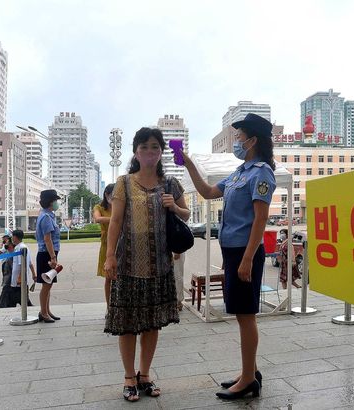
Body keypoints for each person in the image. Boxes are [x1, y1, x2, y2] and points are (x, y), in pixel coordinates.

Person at [180, 113, 276, 400]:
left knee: (246, 316)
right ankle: (251, 371)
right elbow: (209, 192)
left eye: (239, 137)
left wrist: (247, 259)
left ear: (253, 140)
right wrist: (190, 165)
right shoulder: (239, 173)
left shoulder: (261, 173)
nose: (236, 141)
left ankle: (248, 380)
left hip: (246, 252)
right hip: (233, 251)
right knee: (241, 314)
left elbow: (260, 220)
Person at [103, 127, 190, 402]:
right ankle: (129, 376)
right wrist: (110, 256)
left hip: (159, 265)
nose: (150, 152)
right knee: (127, 323)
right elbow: (115, 222)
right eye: (144, 147)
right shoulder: (124, 183)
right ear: (135, 152)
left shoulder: (171, 184)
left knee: (152, 324)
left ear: (162, 151)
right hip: (128, 264)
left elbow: (186, 214)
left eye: (155, 146)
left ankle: (145, 374)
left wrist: (173, 207)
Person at [35, 189, 62, 323]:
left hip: (49, 253)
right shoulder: (45, 217)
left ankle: (46, 310)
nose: (57, 203)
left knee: (49, 284)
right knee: (46, 284)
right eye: (55, 200)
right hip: (46, 254)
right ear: (50, 202)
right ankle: (43, 313)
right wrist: (53, 257)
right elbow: (47, 239)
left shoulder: (49, 215)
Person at [93, 183, 115, 304]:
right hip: (107, 245)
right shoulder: (99, 207)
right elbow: (98, 219)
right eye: (113, 195)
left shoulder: (120, 205)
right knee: (108, 277)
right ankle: (109, 306)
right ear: (106, 194)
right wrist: (115, 219)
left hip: (120, 243)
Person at [10, 229, 36, 307]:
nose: (12, 238)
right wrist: (34, 275)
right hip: (22, 280)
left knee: (21, 300)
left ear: (15, 237)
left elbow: (22, 265)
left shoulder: (19, 248)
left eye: (12, 236)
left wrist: (19, 279)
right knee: (23, 300)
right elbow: (30, 263)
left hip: (19, 281)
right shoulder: (24, 247)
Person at [0, 239, 16, 308]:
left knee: (8, 290)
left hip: (10, 273)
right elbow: (0, 252)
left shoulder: (16, 251)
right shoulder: (5, 247)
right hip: (6, 266)